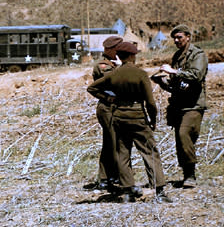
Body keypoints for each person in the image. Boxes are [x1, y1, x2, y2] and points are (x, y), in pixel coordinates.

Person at [87, 42, 172, 203]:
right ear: (133, 56)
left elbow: (92, 88)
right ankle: (159, 191)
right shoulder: (140, 74)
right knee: (150, 152)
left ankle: (127, 192)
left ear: (118, 56)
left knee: (122, 154)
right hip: (138, 116)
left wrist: (108, 98)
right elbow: (151, 103)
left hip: (119, 116)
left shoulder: (114, 74)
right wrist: (152, 120)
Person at [152, 24, 208, 188]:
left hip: (193, 104)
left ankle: (191, 175)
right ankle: (186, 174)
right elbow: (176, 84)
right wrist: (163, 82)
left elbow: (196, 75)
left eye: (180, 37)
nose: (176, 40)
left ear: (188, 37)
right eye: (174, 38)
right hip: (179, 104)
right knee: (180, 140)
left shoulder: (197, 54)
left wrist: (173, 71)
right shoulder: (177, 56)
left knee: (185, 134)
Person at [85, 35, 123, 192]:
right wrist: (122, 67)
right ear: (111, 50)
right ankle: (106, 178)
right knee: (111, 143)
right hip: (108, 108)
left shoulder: (113, 64)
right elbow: (115, 81)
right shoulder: (103, 65)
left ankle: (113, 176)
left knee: (115, 142)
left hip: (116, 107)